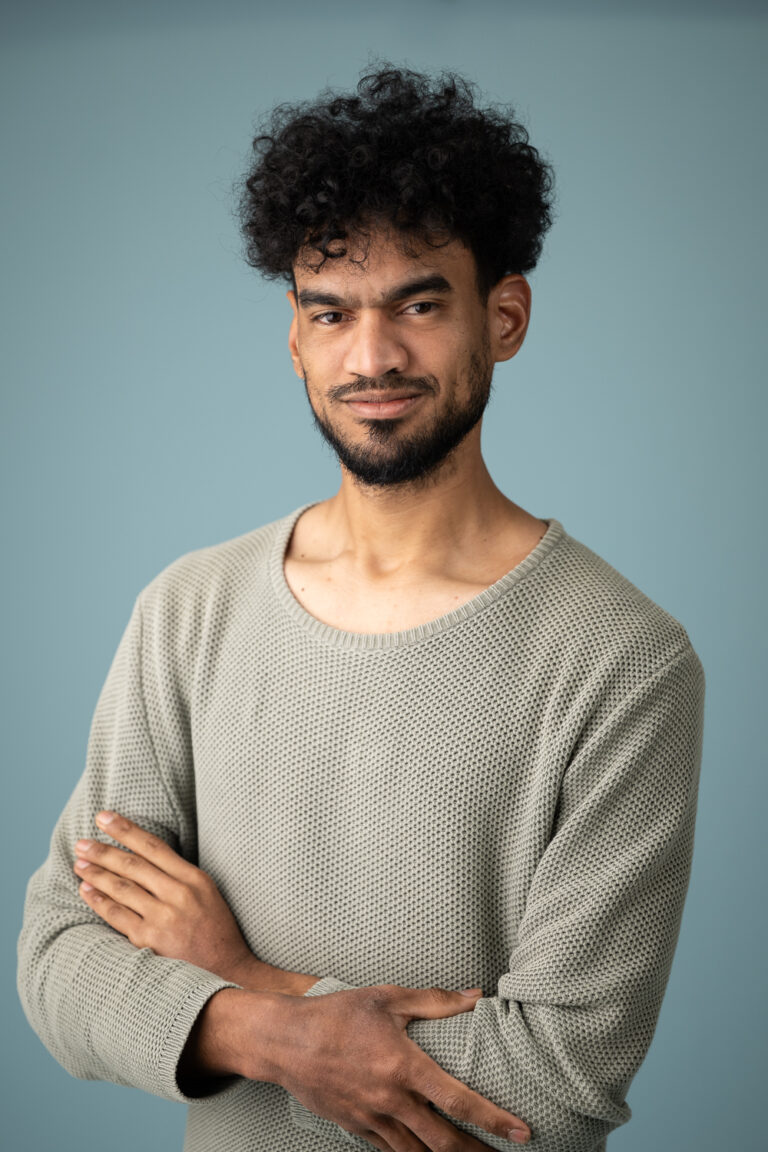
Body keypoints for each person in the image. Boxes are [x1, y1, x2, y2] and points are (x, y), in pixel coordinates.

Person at [17, 64, 705, 1152]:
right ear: (294, 336)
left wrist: (239, 985)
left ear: (505, 315)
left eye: (418, 305)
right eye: (332, 312)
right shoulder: (190, 611)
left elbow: (555, 1086)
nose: (371, 355)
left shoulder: (622, 659)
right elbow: (60, 960)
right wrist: (276, 1031)